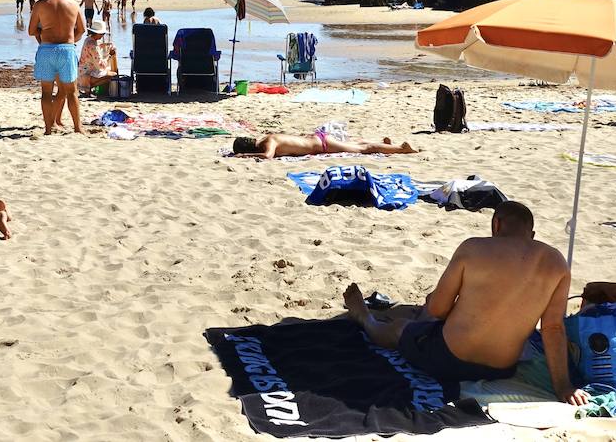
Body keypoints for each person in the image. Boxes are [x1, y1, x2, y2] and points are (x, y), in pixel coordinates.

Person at [341, 201, 590, 405]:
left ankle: (365, 317)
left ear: (496, 224)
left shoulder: (473, 248)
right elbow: (553, 329)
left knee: (401, 327)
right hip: (500, 368)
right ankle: (418, 326)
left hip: (448, 359)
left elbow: (439, 310)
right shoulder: (557, 263)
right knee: (433, 320)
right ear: (532, 234)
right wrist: (563, 387)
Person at [28, 0, 85, 136]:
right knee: (71, 91)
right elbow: (81, 30)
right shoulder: (73, 4)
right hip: (66, 49)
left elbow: (31, 31)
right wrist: (71, 39)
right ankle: (77, 127)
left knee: (46, 92)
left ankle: (48, 129)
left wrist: (44, 30)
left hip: (46, 50)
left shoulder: (40, 5)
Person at [231, 133, 419, 158]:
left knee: (365, 149)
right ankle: (386, 144)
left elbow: (268, 156)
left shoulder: (267, 143)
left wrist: (244, 156)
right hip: (319, 138)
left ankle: (403, 150)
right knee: (358, 143)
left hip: (322, 145)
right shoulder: (267, 136)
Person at [77, 21, 116, 94]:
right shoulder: (92, 45)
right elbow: (100, 66)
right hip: (86, 76)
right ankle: (88, 87)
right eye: (102, 34)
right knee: (113, 75)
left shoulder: (88, 39)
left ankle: (87, 88)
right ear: (97, 33)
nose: (103, 35)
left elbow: (97, 49)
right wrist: (109, 55)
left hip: (82, 73)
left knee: (108, 72)